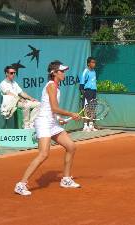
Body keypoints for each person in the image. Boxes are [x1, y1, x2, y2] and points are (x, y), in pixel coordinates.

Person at [14, 61, 81, 196]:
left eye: (64, 71)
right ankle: (21, 184)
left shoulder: (56, 86)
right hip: (44, 122)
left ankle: (66, 179)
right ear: (54, 73)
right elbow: (55, 108)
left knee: (71, 147)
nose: (64, 73)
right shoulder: (51, 86)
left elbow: (51, 109)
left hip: (51, 122)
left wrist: (58, 119)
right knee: (44, 154)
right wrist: (71, 114)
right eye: (61, 71)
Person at [79, 57, 98, 132]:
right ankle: (85, 126)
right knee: (86, 108)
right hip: (87, 91)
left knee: (92, 108)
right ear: (88, 63)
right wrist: (83, 91)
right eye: (92, 62)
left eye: (94, 62)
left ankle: (91, 125)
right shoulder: (85, 71)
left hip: (94, 91)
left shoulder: (94, 71)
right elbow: (82, 82)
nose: (94, 64)